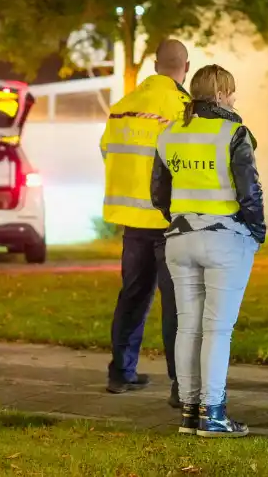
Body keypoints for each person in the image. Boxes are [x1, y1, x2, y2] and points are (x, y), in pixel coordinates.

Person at [151, 64, 264, 438]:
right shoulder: (234, 132)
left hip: (179, 239)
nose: (234, 100)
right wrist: (257, 232)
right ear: (219, 95)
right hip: (224, 238)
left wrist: (182, 218)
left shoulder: (169, 134)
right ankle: (214, 415)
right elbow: (250, 193)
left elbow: (158, 194)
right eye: (231, 93)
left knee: (188, 326)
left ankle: (190, 413)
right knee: (217, 330)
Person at [100, 39, 190, 405]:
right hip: (169, 221)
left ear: (154, 65)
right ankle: (179, 383)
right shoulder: (184, 108)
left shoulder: (123, 107)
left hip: (133, 220)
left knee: (132, 296)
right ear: (186, 65)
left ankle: (121, 372)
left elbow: (106, 149)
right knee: (175, 303)